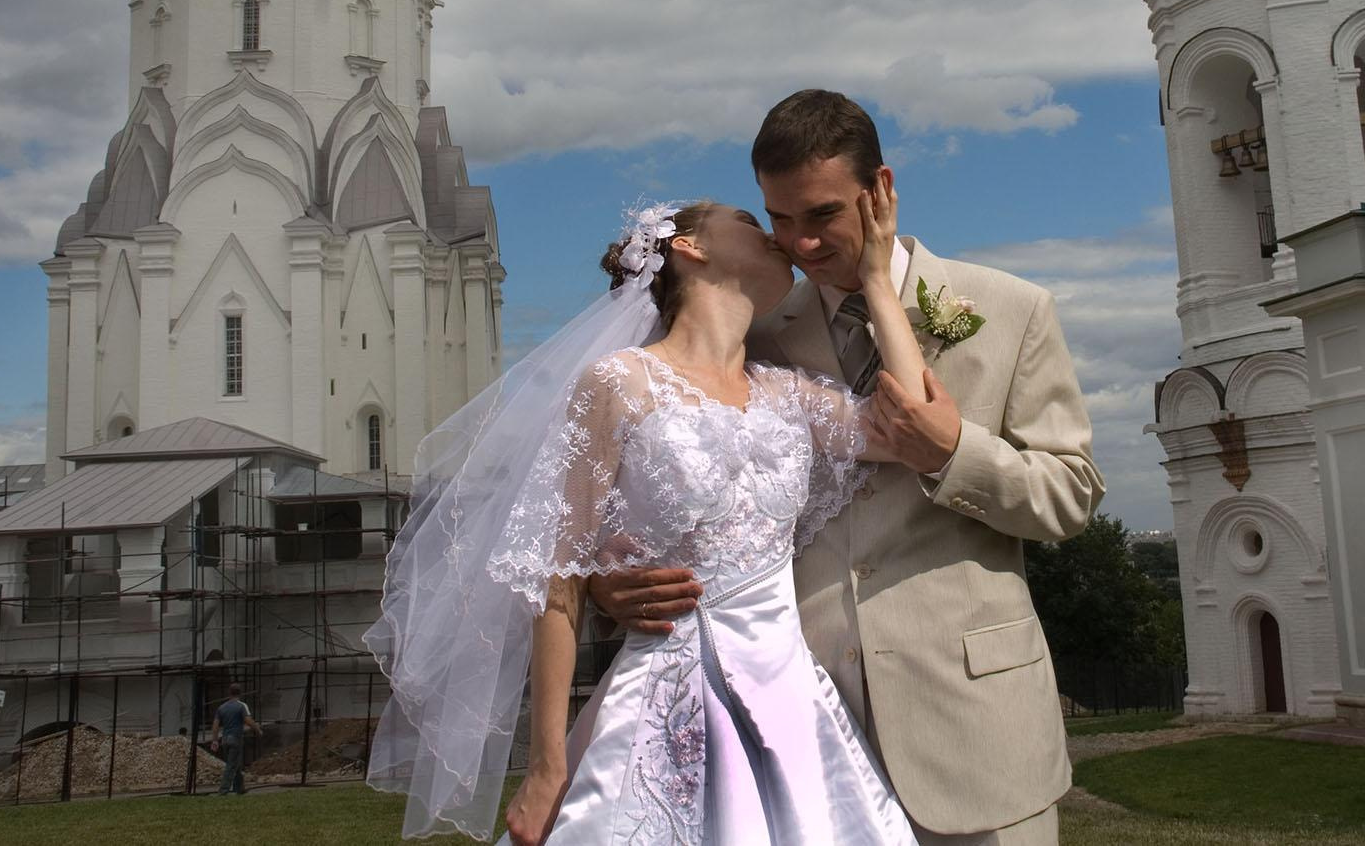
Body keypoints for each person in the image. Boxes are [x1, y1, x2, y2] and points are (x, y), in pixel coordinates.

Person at [593, 90, 1104, 844]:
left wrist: (954, 454)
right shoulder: (759, 338)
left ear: (881, 190)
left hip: (975, 727)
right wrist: (612, 580)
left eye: (822, 214)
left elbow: (1070, 494)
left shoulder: (1011, 308)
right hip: (799, 733)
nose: (799, 244)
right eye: (779, 219)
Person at [366, 180, 928, 843]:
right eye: (749, 219)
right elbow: (557, 579)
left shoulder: (789, 395)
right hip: (664, 703)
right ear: (688, 247)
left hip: (793, 710)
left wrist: (878, 281)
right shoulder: (617, 383)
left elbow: (913, 426)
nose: (778, 235)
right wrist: (547, 765)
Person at [209, 683, 260, 795]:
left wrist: (214, 740)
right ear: (240, 693)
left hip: (225, 740)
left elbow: (215, 725)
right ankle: (223, 790)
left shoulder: (221, 707)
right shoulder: (241, 706)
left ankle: (240, 788)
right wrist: (257, 729)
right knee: (231, 765)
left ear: (229, 693)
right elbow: (248, 720)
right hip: (236, 739)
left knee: (234, 763)